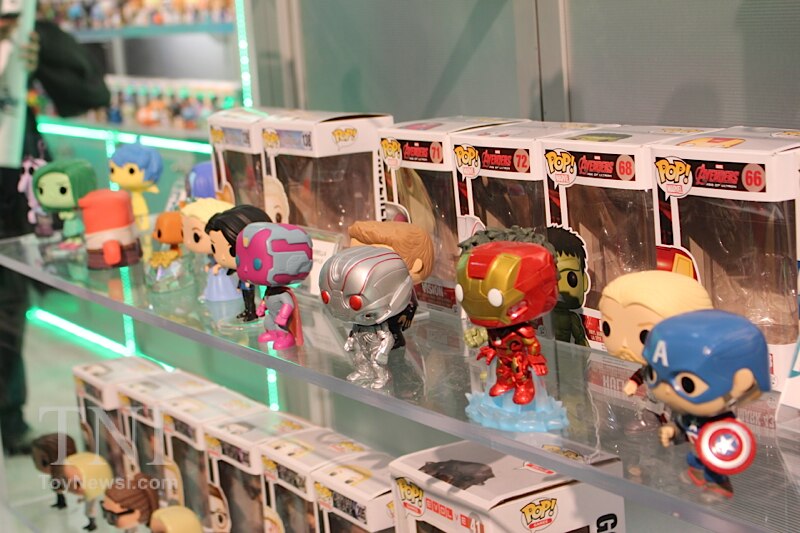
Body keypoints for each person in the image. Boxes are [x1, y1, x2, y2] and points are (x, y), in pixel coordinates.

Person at [0, 4, 110, 454]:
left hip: (11, 195)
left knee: (8, 310)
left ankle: (10, 420)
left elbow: (89, 91)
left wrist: (39, 47)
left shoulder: (29, 34)